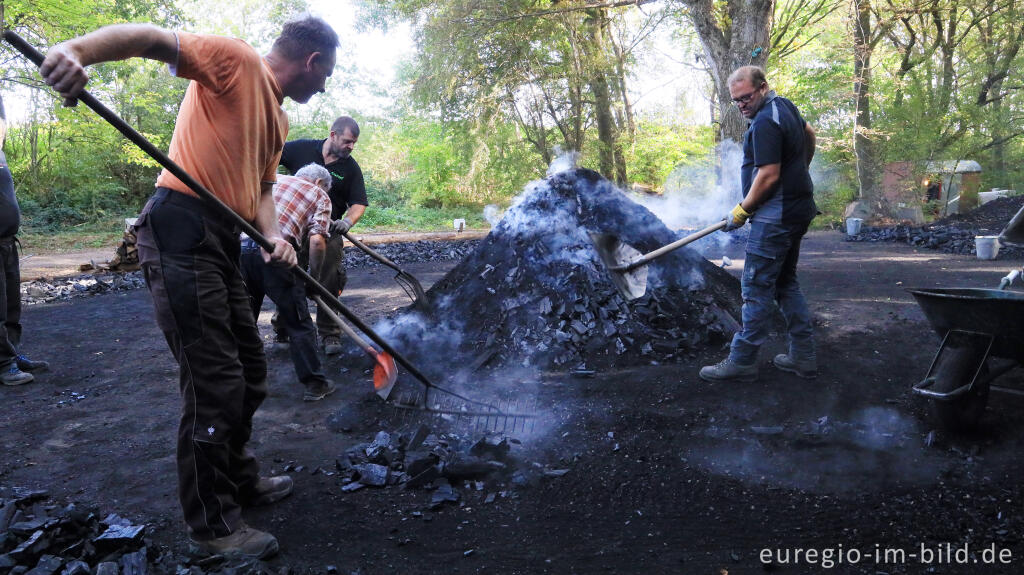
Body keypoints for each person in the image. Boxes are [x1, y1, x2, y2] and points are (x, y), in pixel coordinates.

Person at [38, 15, 338, 558]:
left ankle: (240, 480)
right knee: (213, 379)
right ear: (312, 61)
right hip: (181, 226)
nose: (323, 87)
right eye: (325, 75)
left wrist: (274, 238)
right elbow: (152, 39)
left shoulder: (277, 121)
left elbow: (264, 189)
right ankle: (213, 527)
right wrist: (74, 48)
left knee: (248, 371)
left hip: (225, 238)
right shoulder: (237, 59)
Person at [699, 65, 818, 383]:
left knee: (755, 289)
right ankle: (803, 356)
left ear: (763, 87)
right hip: (798, 209)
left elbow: (768, 175)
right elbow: (810, 132)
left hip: (776, 217)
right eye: (735, 101)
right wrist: (801, 170)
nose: (741, 105)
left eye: (746, 97)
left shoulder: (765, 121)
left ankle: (742, 359)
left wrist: (742, 210)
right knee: (785, 284)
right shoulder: (784, 106)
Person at [240, 164, 336, 402]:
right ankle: (315, 384)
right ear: (319, 183)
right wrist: (314, 279)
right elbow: (317, 242)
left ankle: (239, 382)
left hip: (240, 249)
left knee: (242, 319)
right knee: (299, 323)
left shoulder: (274, 180)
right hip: (276, 254)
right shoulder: (319, 195)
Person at [279, 116, 367, 355]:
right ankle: (283, 326)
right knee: (287, 275)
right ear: (333, 135)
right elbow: (268, 156)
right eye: (348, 141)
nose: (351, 146)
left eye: (354, 143)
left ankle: (329, 334)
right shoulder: (302, 148)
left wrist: (347, 221)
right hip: (295, 227)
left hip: (328, 231)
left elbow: (359, 203)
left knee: (329, 279)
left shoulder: (350, 168)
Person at [0, 94, 50, 387]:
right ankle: (3, 364)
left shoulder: (1, 153)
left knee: (11, 307)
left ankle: (11, 353)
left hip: (7, 241)